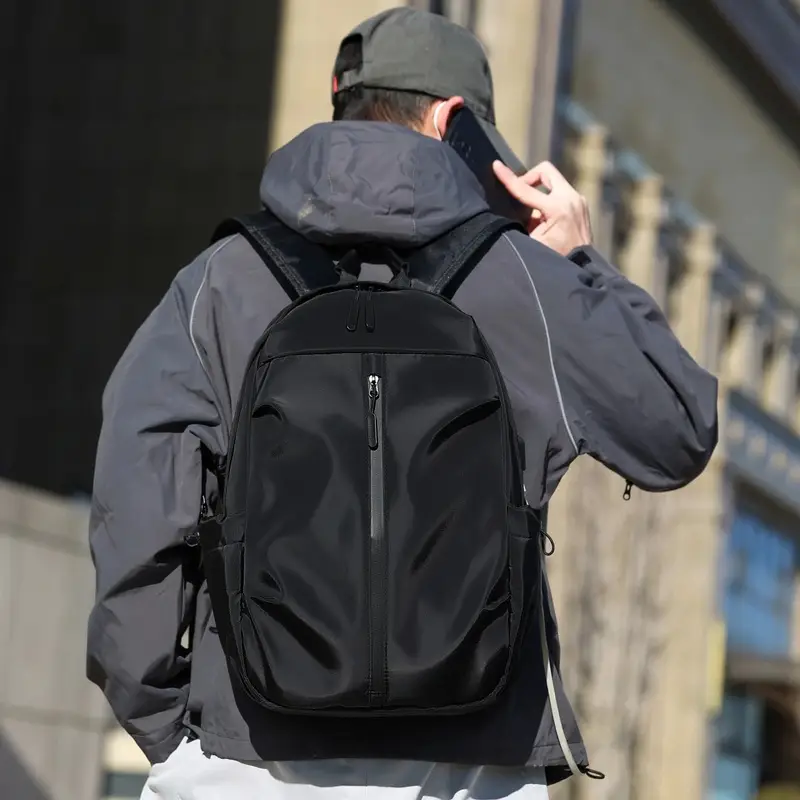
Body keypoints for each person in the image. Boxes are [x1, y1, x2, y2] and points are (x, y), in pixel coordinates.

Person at [86, 8, 718, 800]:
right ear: (455, 124)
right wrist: (580, 258)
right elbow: (679, 426)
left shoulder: (218, 280)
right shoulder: (526, 280)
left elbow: (137, 507)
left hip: (249, 752)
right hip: (473, 762)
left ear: (342, 103)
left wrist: (164, 726)